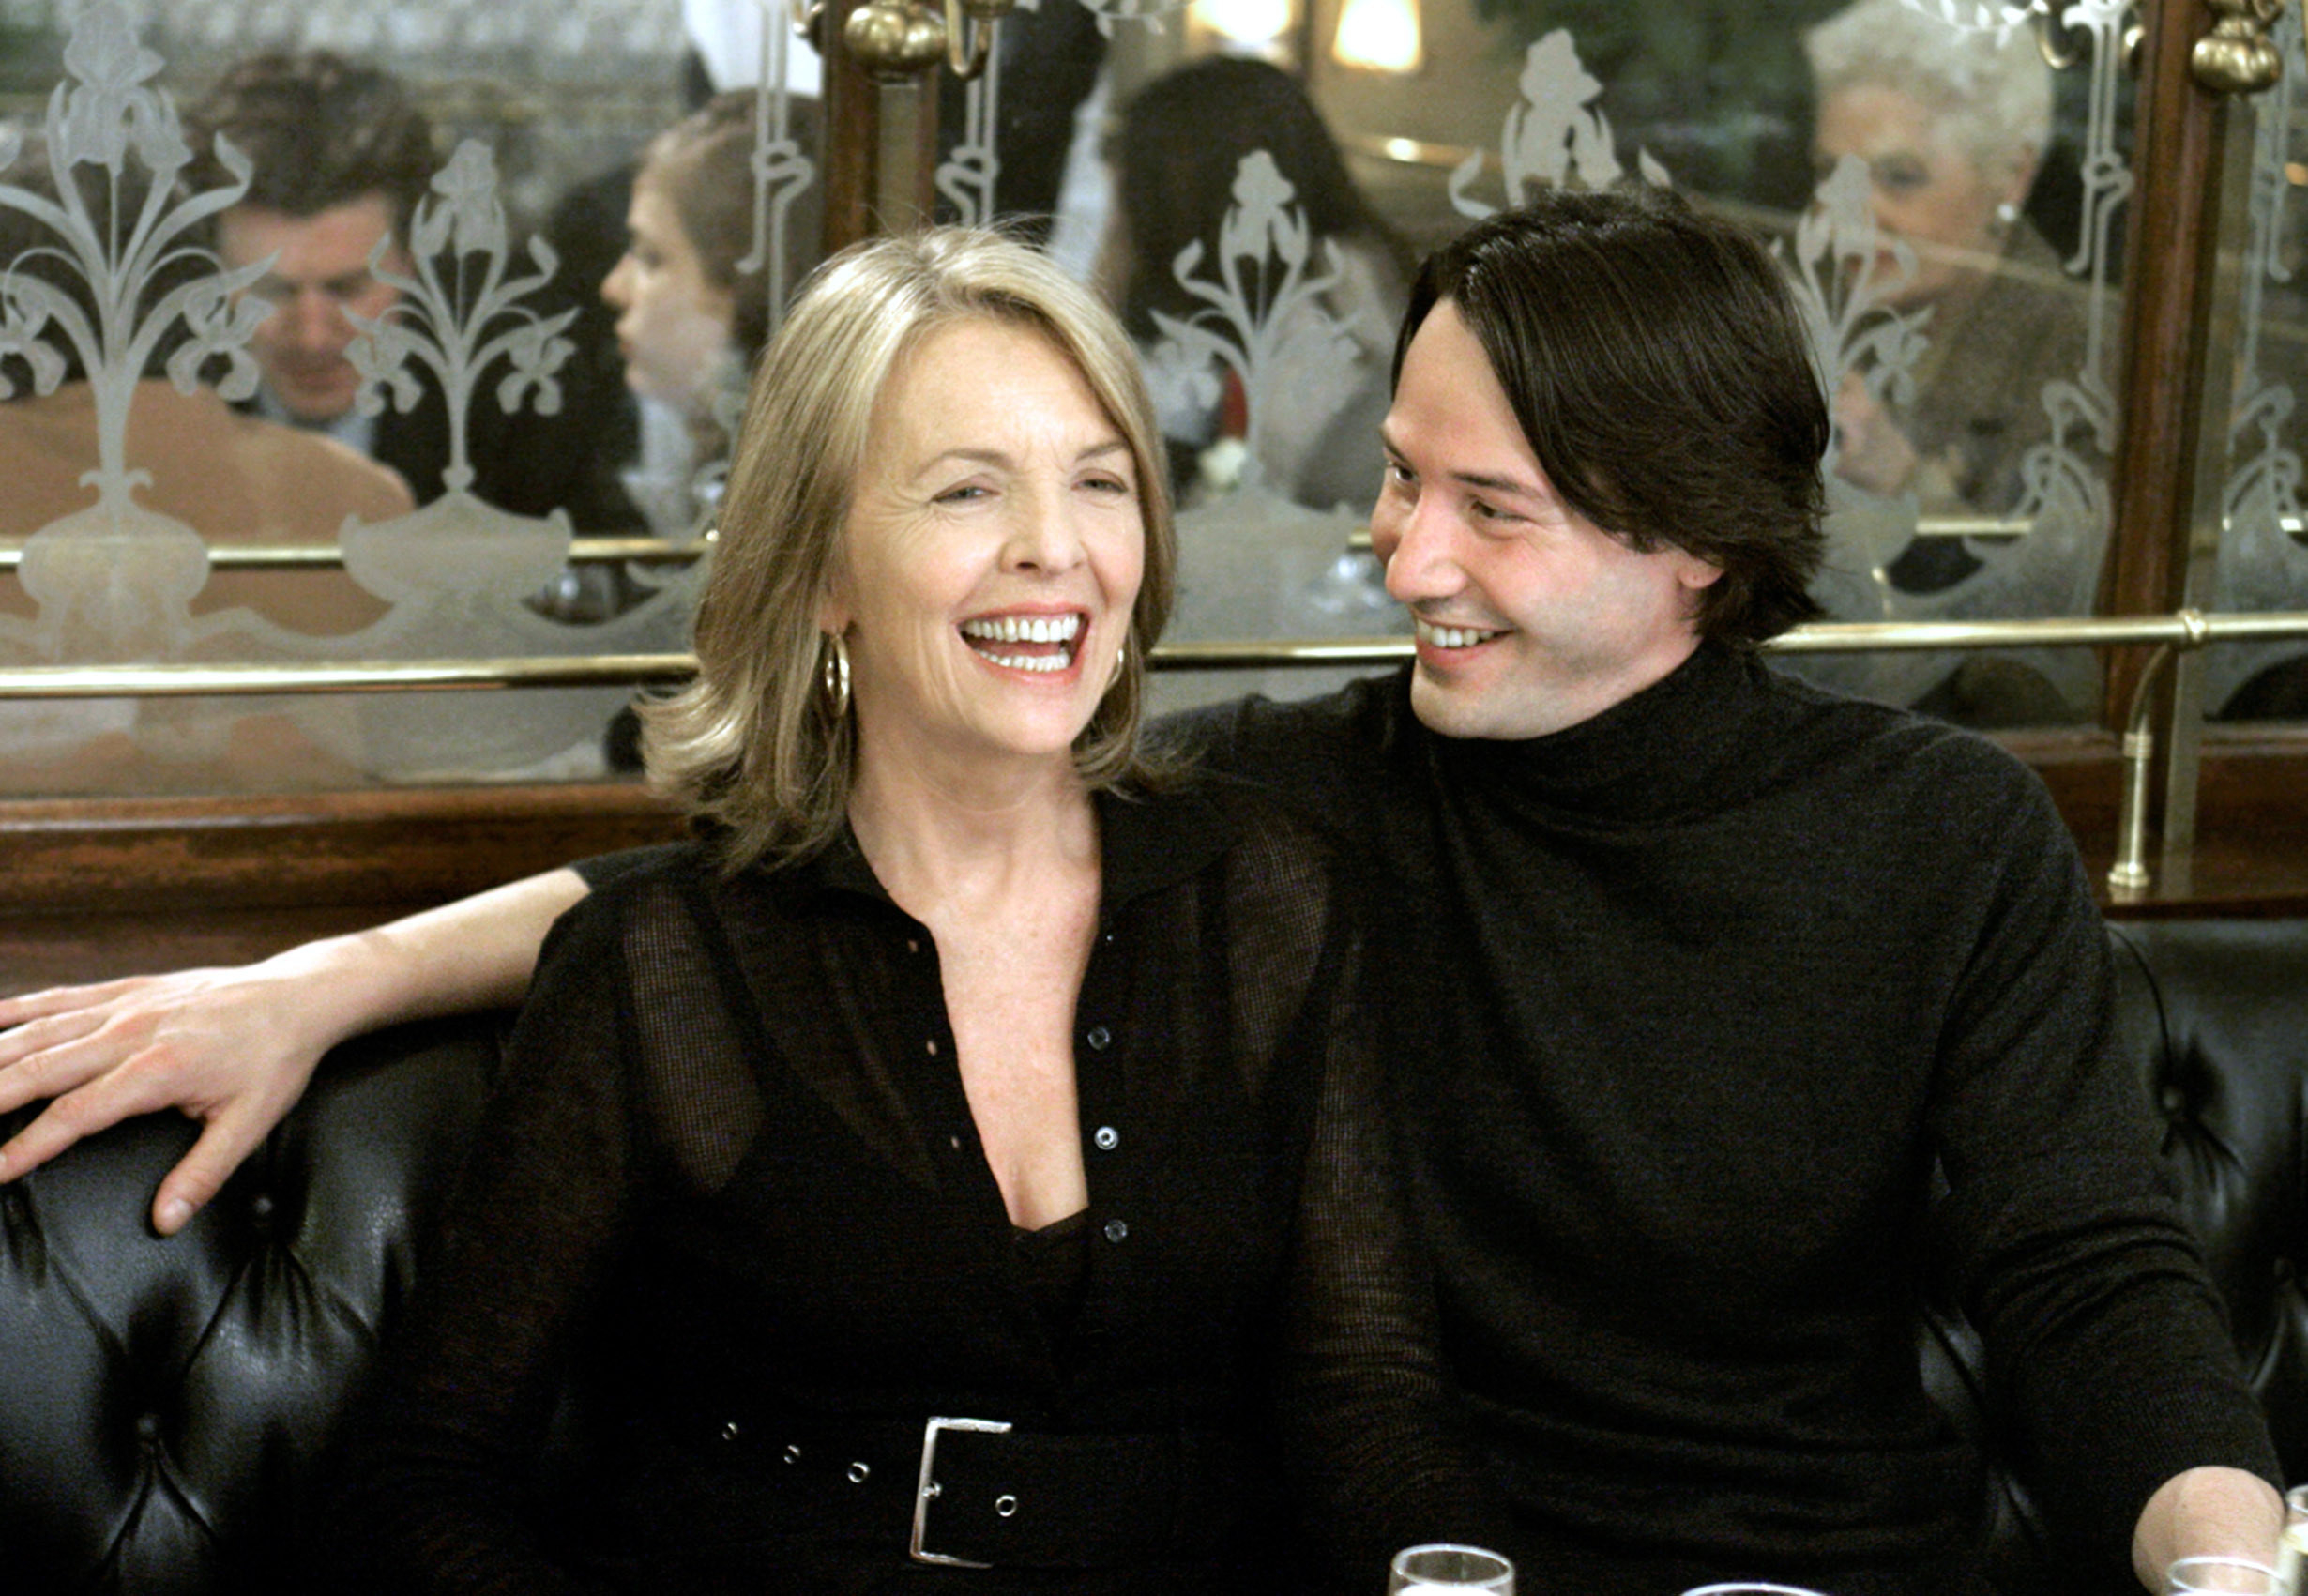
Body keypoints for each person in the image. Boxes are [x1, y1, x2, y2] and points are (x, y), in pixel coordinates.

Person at [0, 190, 2283, 1594]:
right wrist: (316, 983)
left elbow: (2092, 1275)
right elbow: (797, 873)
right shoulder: (1305, 809)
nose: (1397, 564)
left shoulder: (1930, 836)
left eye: (1480, 512)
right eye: (1392, 484)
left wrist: (2219, 1553)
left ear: (1684, 542)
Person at [293, 227, 1423, 1590]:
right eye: (965, 493)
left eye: (1101, 484)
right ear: (822, 571)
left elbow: (1373, 1396)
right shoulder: (664, 964)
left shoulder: (1270, 899)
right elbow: (424, 1469)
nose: (1053, 550)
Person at [182, 50, 546, 512]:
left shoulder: (511, 386)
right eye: (271, 291)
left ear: (414, 263)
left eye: (348, 289)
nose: (312, 337)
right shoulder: (150, 398)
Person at [1096, 56, 1412, 513]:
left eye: (1140, 187)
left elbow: (1259, 502)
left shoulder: (1328, 299)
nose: (1129, 210)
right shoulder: (1288, 281)